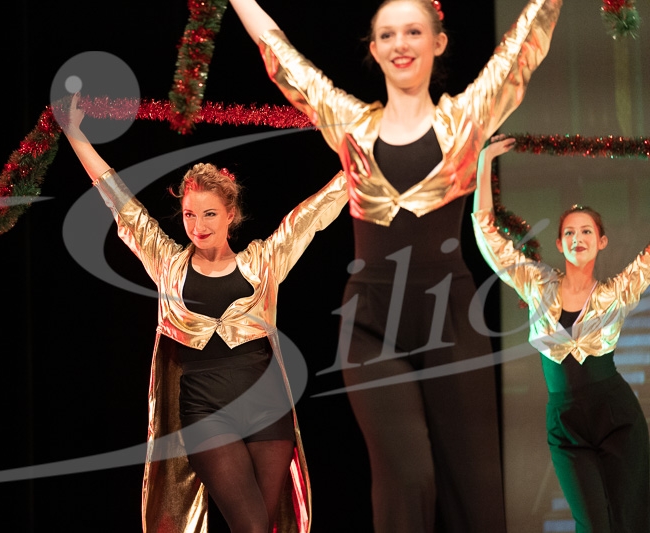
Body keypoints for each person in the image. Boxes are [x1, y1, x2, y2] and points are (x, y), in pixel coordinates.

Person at [226, 0, 562, 530]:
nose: (400, 44)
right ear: (374, 48)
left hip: (452, 320)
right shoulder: (351, 127)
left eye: (413, 32)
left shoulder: (467, 118)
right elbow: (282, 56)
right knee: (408, 478)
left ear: (438, 42)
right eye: (387, 35)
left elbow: (526, 43)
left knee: (474, 489)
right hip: (370, 325)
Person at [61, 92, 347, 533]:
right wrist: (74, 134)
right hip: (206, 413)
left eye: (210, 214)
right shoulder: (168, 265)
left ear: (231, 214)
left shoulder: (263, 262)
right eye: (190, 215)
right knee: (251, 526)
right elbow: (119, 202)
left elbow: (315, 213)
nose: (198, 226)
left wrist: (364, 154)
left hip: (268, 410)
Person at [473, 134, 650, 532]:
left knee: (629, 521)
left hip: (617, 417)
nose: (577, 239)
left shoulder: (616, 292)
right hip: (565, 422)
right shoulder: (537, 284)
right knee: (592, 524)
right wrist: (485, 161)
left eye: (586, 232)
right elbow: (487, 233)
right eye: (569, 233)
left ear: (601, 242)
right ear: (559, 243)